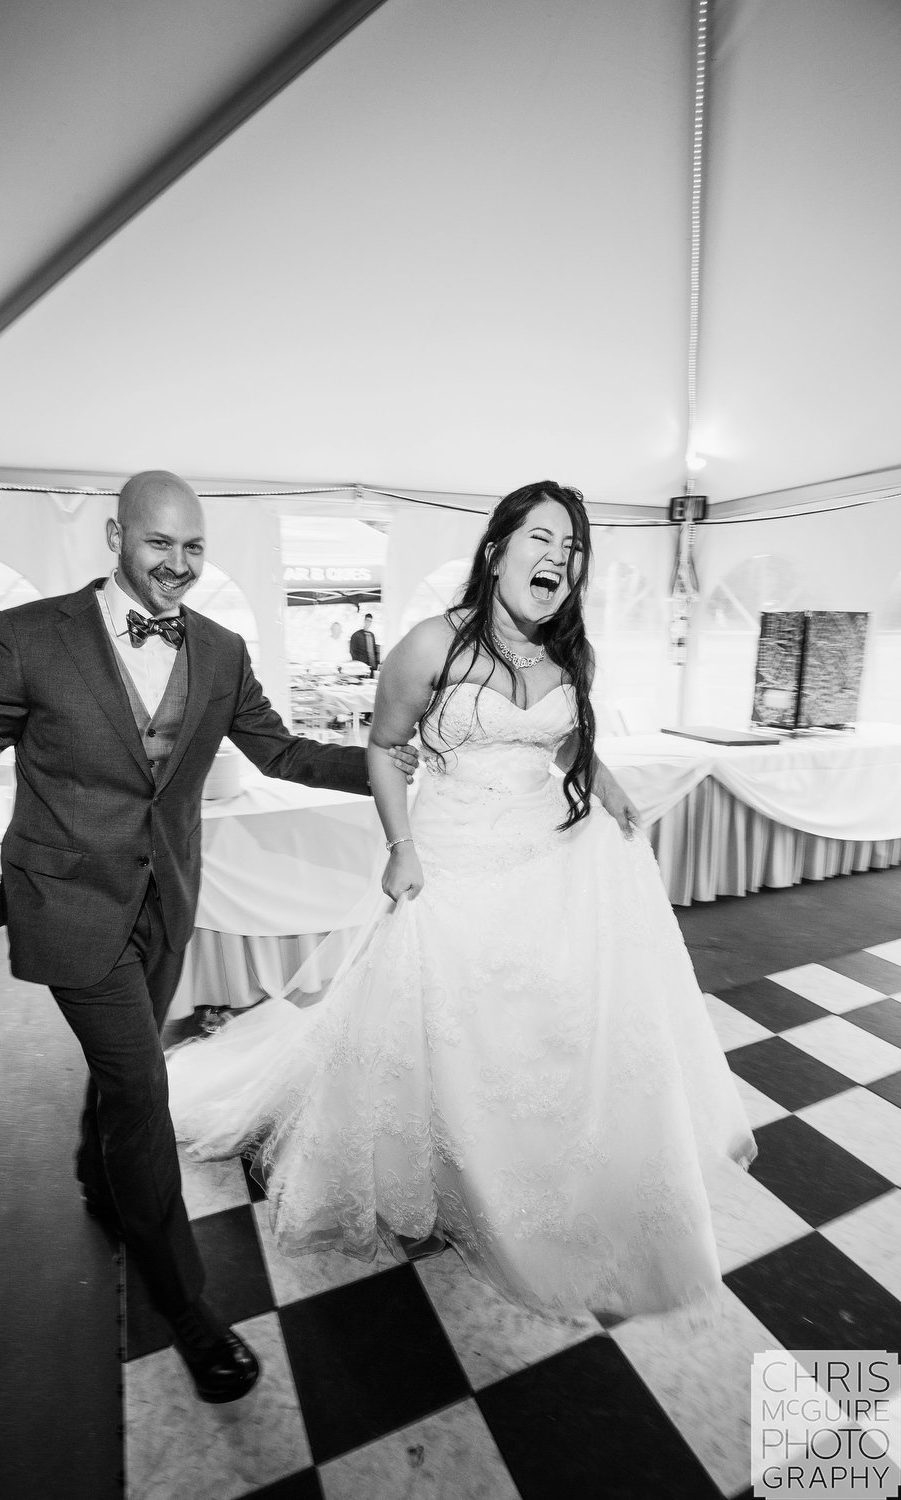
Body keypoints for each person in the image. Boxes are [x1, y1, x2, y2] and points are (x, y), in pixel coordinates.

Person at [167, 480, 756, 1328]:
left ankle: (538, 1157)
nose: (559, 557)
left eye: (573, 547)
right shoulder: (431, 643)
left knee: (539, 1018)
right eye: (542, 539)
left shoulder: (568, 656)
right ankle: (452, 1167)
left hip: (544, 854)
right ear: (496, 550)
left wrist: (610, 785)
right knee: (445, 1016)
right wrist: (402, 850)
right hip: (451, 859)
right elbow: (381, 745)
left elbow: (565, 744)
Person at [0, 470, 417, 1403]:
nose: (177, 566)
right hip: (69, 903)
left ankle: (93, 1171)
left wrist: (392, 764)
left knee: (120, 1074)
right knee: (144, 1091)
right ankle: (187, 1309)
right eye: (158, 544)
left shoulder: (218, 651)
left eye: (193, 548)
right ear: (116, 535)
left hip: (166, 902)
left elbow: (285, 752)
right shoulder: (31, 634)